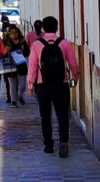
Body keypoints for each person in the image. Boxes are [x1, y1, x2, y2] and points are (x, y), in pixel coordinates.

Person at [27, 15, 80, 157]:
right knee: (62, 114)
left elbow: (32, 66)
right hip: (61, 84)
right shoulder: (64, 43)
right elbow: (73, 64)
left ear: (43, 28)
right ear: (57, 28)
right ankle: (63, 140)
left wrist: (30, 84)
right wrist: (75, 76)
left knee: (45, 115)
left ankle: (48, 145)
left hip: (43, 85)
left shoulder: (37, 44)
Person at [2, 25, 29, 107]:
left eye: (16, 32)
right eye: (12, 33)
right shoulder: (6, 42)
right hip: (10, 65)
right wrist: (7, 50)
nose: (14, 34)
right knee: (12, 84)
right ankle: (13, 101)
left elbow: (28, 52)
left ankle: (20, 96)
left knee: (23, 85)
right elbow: (3, 53)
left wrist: (23, 52)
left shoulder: (22, 41)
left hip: (21, 65)